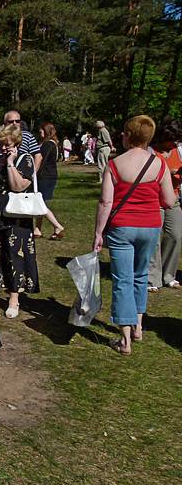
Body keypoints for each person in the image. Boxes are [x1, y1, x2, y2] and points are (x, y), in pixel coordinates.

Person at [92, 115, 176, 355]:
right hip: (150, 226)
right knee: (141, 275)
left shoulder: (115, 164)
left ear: (128, 135)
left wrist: (99, 233)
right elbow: (169, 201)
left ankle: (125, 338)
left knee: (122, 279)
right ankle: (138, 325)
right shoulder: (159, 163)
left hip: (122, 227)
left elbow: (106, 201)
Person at [0, 123, 40, 319]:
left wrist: (10, 162)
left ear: (16, 143)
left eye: (7, 144)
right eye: (1, 144)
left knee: (13, 258)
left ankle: (14, 299)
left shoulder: (25, 161)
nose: (3, 148)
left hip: (16, 219)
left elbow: (18, 186)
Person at [147, 120, 182, 291]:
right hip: (155, 199)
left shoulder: (176, 151)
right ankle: (152, 278)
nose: (174, 144)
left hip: (174, 198)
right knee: (154, 239)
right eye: (172, 140)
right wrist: (169, 172)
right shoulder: (150, 151)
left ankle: (169, 275)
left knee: (175, 235)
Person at [33, 122, 65, 240]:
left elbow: (41, 160)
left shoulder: (47, 144)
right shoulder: (53, 144)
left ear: (46, 131)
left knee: (39, 203)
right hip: (49, 176)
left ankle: (57, 226)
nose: (40, 132)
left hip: (45, 177)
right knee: (41, 202)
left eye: (41, 130)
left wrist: (33, 172)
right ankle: (37, 229)